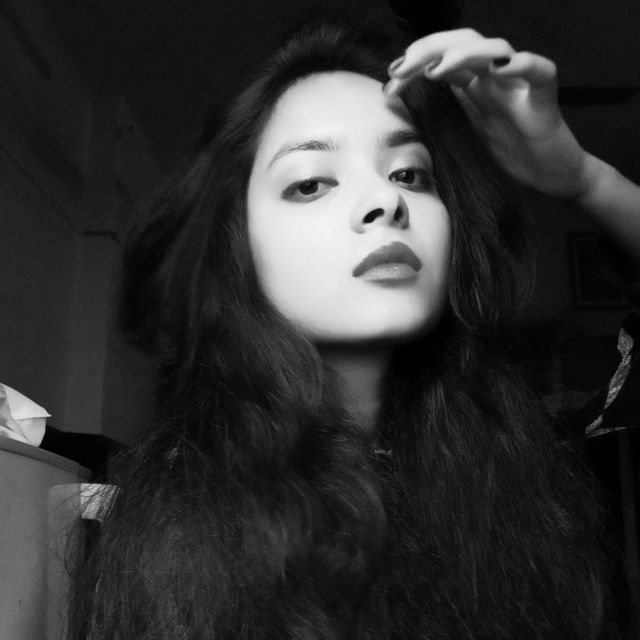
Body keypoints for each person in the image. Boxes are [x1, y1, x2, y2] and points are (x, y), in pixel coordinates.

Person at [68, 16, 639, 640]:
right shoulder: (190, 517)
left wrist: (583, 177)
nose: (385, 201)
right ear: (236, 248)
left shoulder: (521, 442)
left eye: (409, 174)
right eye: (311, 183)